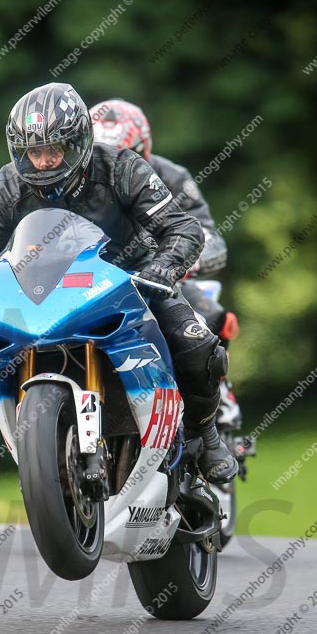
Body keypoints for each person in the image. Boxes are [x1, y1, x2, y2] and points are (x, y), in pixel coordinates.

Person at [0, 82, 238, 483]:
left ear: (80, 140)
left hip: (132, 281)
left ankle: (206, 434)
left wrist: (163, 268)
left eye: (56, 149)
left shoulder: (123, 166)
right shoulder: (0, 189)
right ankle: (41, 456)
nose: (46, 161)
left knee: (197, 344)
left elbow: (183, 228)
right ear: (19, 150)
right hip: (42, 294)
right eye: (35, 151)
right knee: (0, 364)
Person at [90, 98, 242, 429]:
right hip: (94, 282)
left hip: (161, 275)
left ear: (143, 149)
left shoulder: (172, 176)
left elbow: (210, 237)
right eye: (101, 154)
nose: (113, 163)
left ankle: (218, 403)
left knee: (206, 314)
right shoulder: (77, 183)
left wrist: (178, 260)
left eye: (125, 154)